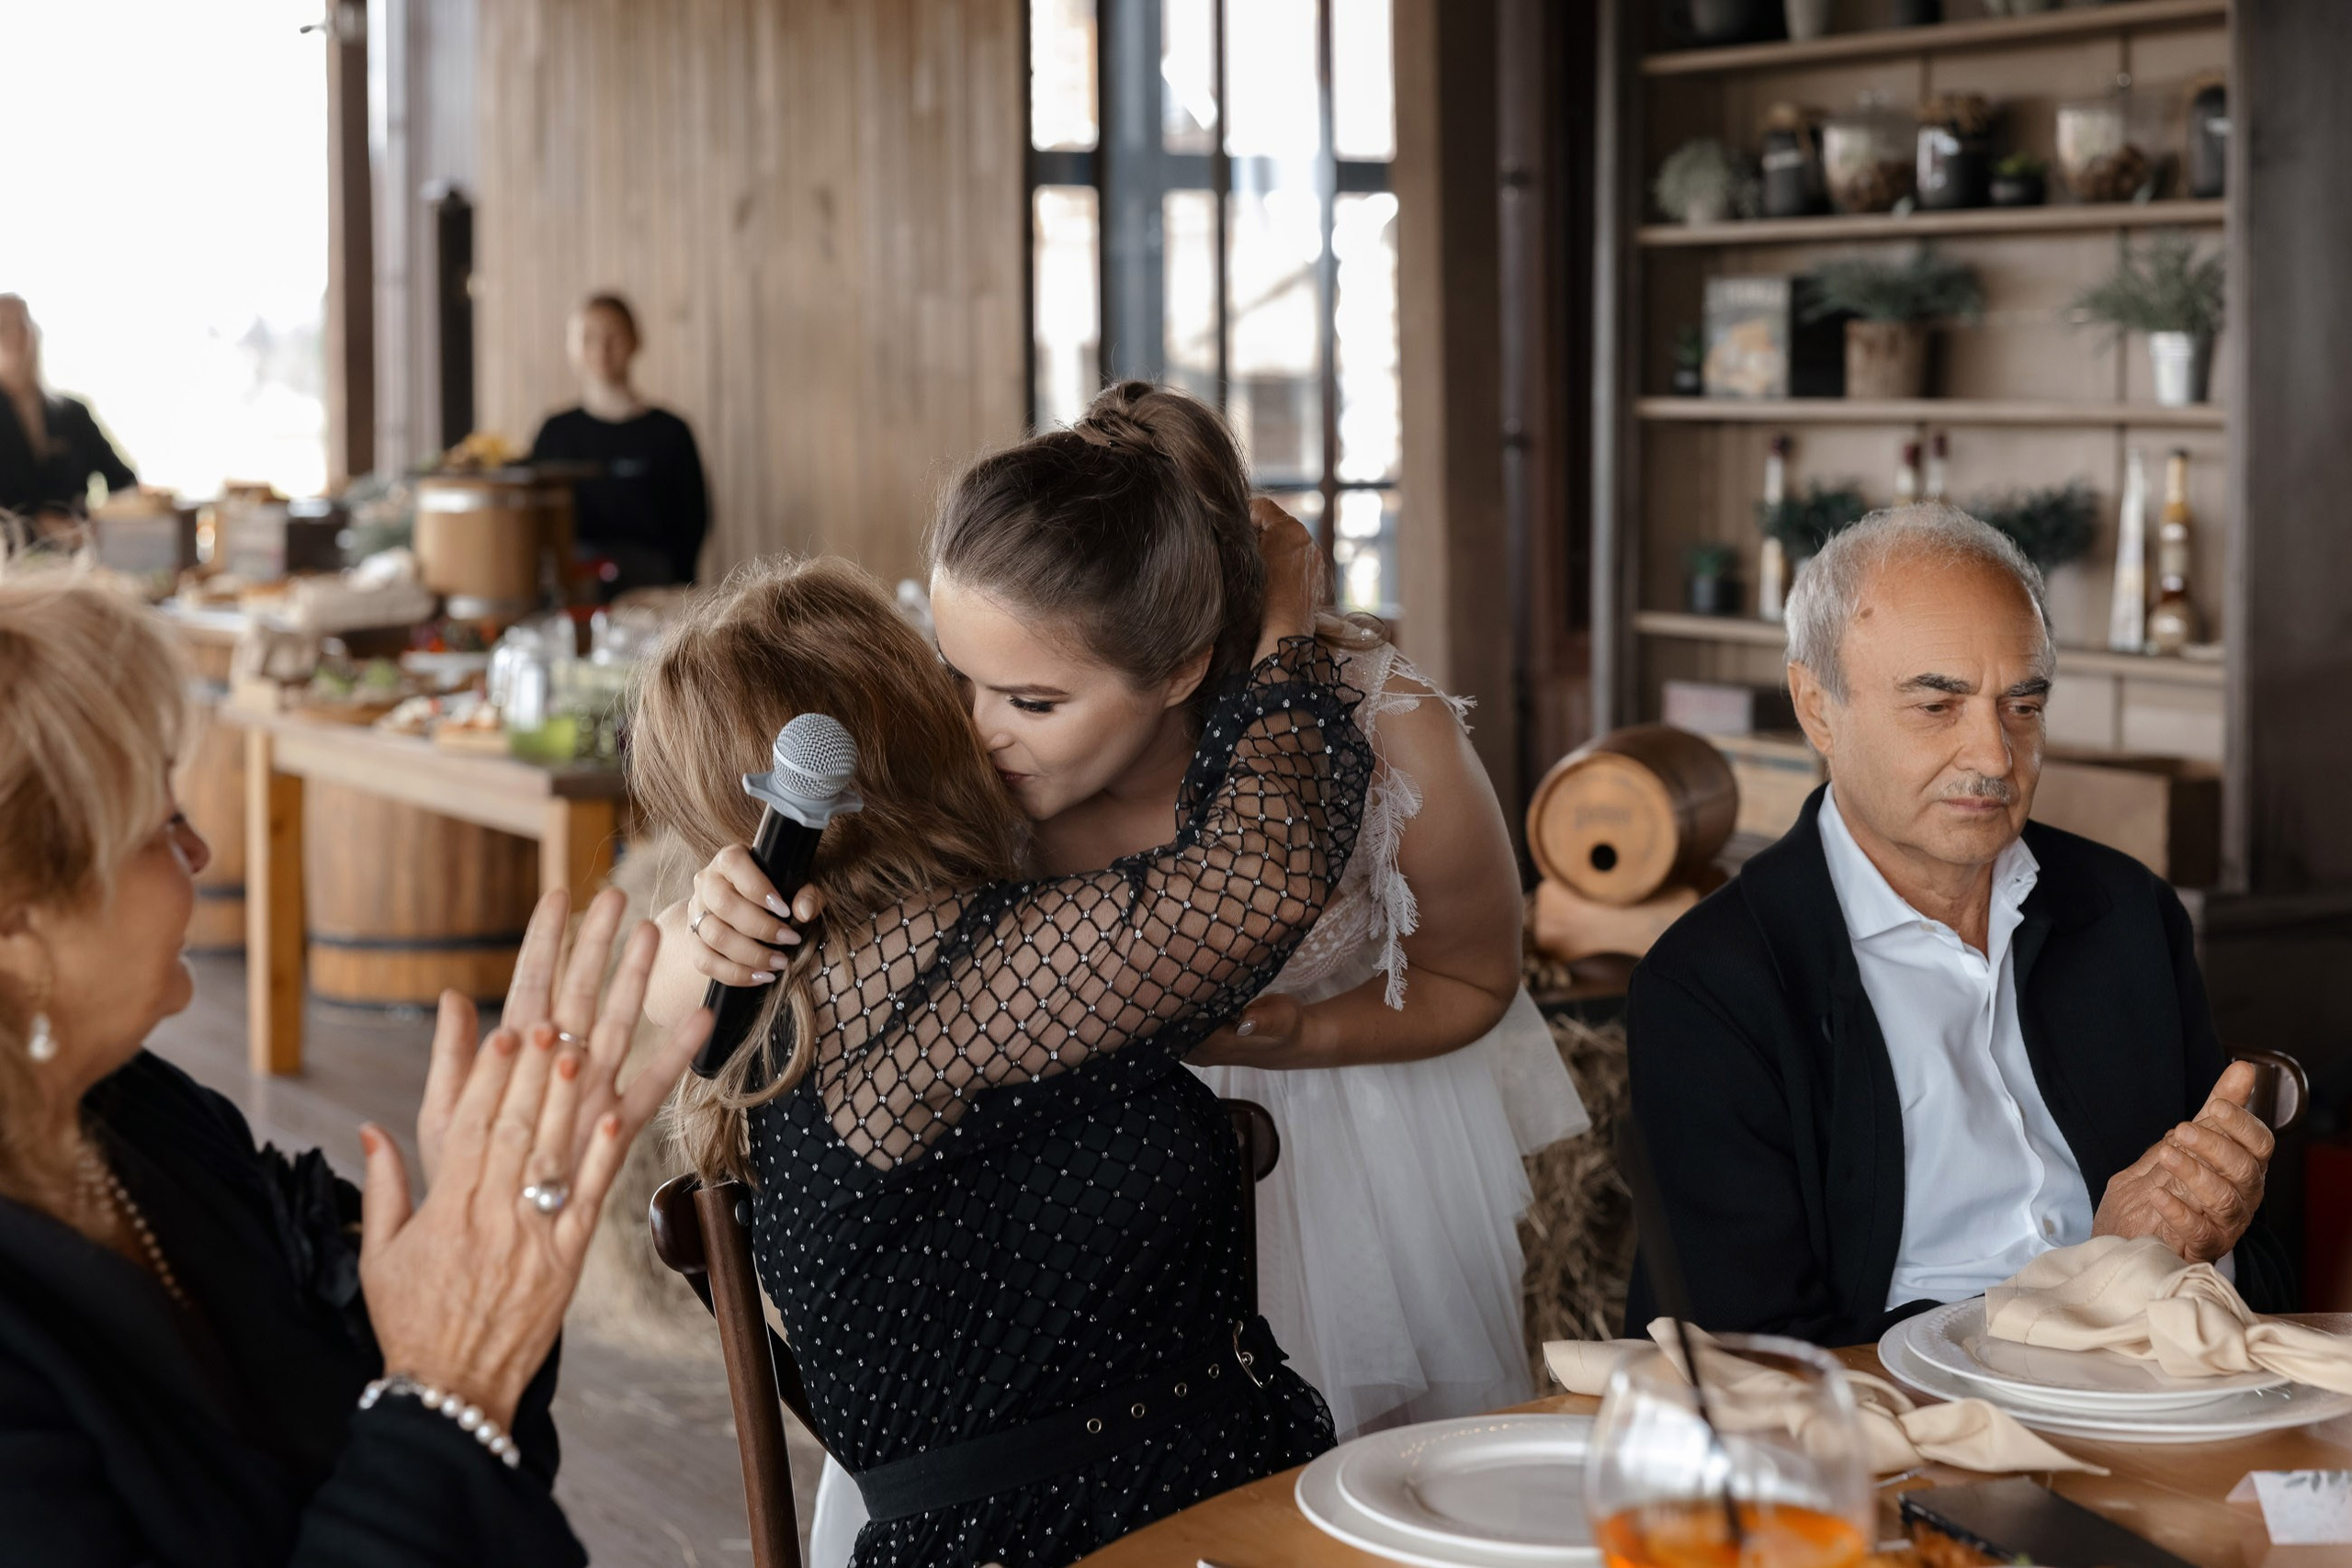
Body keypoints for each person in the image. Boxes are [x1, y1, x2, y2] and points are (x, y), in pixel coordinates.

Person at [660, 383, 1587, 1564]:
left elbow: (1454, 965)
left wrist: (1300, 1035)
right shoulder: (962, 812)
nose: (981, 730)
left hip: (1340, 1171)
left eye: (1030, 698)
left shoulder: (1367, 725)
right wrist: (711, 911)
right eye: (954, 680)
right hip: (1055, 1290)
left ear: (1184, 667)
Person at [630, 526, 1363, 1568]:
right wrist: (1287, 622)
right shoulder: (904, 981)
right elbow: (1261, 881)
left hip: (1192, 1500)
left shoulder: (822, 978)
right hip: (1080, 1534)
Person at [0, 567, 715, 1565]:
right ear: (20, 917)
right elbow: (432, 1408)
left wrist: (489, 1213)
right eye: (160, 824)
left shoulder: (135, 1115)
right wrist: (449, 1386)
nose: (200, 849)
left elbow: (437, 1421)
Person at [1625, 502, 2290, 1348]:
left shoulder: (2127, 914)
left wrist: (2206, 1235)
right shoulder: (1713, 984)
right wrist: (2100, 1271)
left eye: (2022, 705)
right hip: (1895, 1441)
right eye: (1938, 706)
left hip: (2158, 1394)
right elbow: (1750, 1351)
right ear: (1817, 707)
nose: (1993, 756)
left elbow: (2263, 1264)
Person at [527, 292, 710, 592]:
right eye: (588, 338)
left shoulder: (671, 431)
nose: (601, 349)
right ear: (571, 347)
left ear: (635, 340)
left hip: (654, 592)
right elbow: (537, 519)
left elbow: (693, 521)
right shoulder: (555, 433)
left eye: (613, 335)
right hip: (572, 591)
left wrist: (678, 590)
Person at [0, 295, 137, 522]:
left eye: (21, 325)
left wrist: (98, 523)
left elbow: (124, 482)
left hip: (80, 552)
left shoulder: (73, 415)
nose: (15, 337)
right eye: (3, 328)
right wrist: (36, 525)